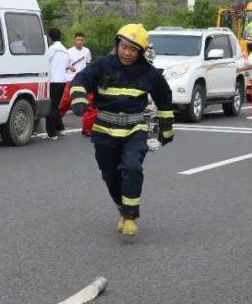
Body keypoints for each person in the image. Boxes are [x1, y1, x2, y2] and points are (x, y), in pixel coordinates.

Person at [69, 24, 174, 236]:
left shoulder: (149, 73)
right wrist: (79, 96)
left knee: (132, 167)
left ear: (141, 52)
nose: (127, 53)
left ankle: (130, 217)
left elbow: (164, 98)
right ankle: (122, 207)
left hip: (134, 129)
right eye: (124, 47)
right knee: (110, 175)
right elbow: (82, 79)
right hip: (104, 131)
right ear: (118, 44)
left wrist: (166, 128)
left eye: (133, 49)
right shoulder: (103, 65)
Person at [58, 32, 93, 118]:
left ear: (84, 41)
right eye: (78, 40)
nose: (80, 42)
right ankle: (57, 118)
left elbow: (88, 64)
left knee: (89, 100)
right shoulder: (68, 51)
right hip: (70, 79)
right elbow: (62, 66)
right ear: (74, 40)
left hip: (83, 81)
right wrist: (69, 67)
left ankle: (87, 127)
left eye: (81, 40)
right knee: (66, 101)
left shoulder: (87, 51)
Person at [46, 28, 69, 139]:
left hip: (53, 81)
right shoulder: (65, 50)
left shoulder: (52, 49)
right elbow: (66, 66)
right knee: (56, 106)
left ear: (50, 38)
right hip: (62, 81)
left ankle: (52, 133)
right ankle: (60, 128)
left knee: (51, 107)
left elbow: (45, 62)